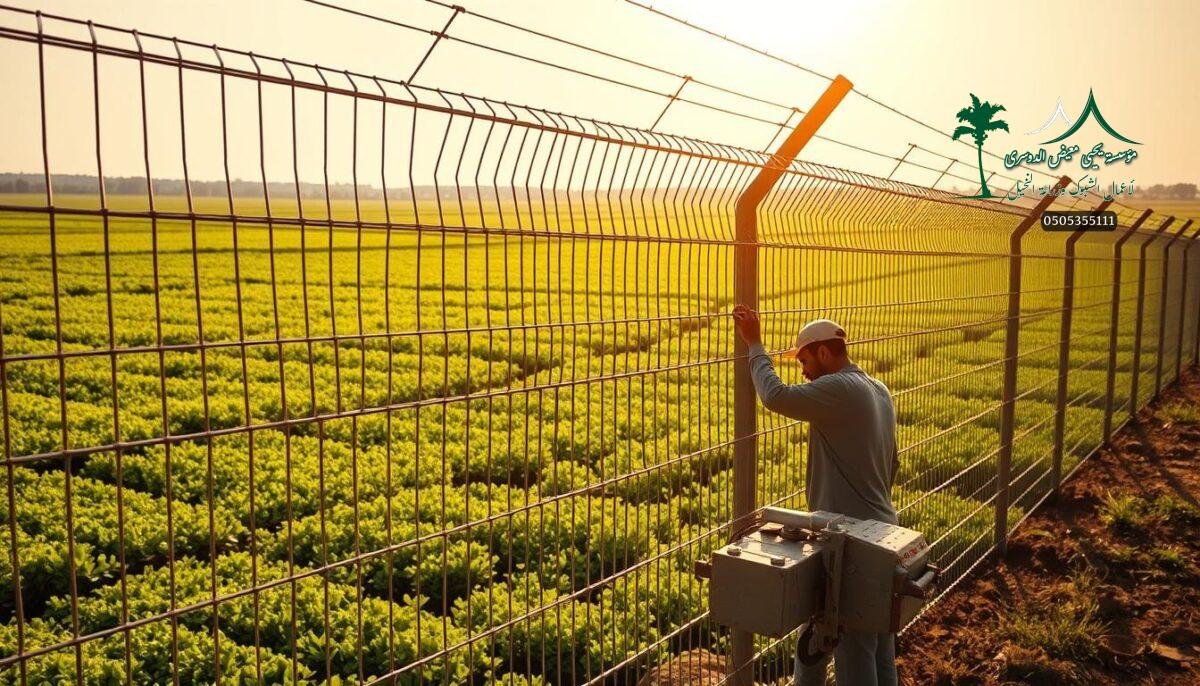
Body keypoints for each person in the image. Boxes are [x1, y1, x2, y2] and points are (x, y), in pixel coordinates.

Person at [731, 305, 900, 686]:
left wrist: (755, 344)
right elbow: (892, 465)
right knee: (880, 648)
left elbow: (774, 396)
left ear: (824, 354)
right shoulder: (879, 389)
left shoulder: (840, 388)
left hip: (853, 541)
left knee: (854, 651)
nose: (803, 370)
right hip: (884, 531)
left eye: (804, 360)